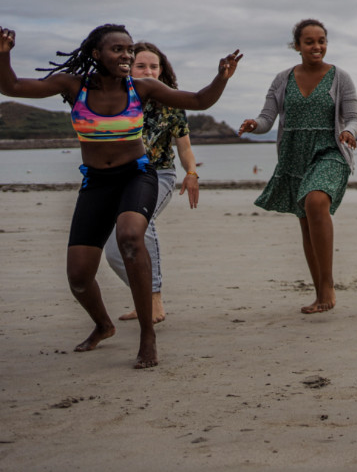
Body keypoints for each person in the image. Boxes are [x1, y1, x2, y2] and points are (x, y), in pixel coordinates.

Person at [0, 24, 240, 369]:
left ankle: (147, 335)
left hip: (137, 175)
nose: (126, 55)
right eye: (117, 50)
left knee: (130, 237)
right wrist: (4, 54)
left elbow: (199, 100)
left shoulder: (142, 87)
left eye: (129, 49)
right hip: (96, 183)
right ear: (97, 54)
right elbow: (11, 85)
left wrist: (222, 76)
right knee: (79, 277)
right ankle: (103, 324)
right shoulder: (74, 85)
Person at [239, 19, 357, 315]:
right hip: (294, 156)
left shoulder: (340, 77)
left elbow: (354, 117)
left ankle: (328, 284)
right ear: (297, 46)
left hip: (330, 151)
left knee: (316, 202)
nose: (316, 46)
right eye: (309, 42)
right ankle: (320, 292)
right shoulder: (282, 79)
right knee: (306, 223)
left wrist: (349, 133)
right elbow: (267, 118)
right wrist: (255, 125)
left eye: (321, 40)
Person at [103, 42, 200, 324]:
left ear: (162, 70)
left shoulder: (171, 103)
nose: (148, 71)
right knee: (112, 250)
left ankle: (155, 301)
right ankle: (143, 298)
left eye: (154, 66)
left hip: (159, 175)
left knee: (142, 226)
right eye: (141, 66)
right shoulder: (114, 99)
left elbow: (184, 147)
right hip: (120, 179)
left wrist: (191, 173)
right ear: (128, 68)